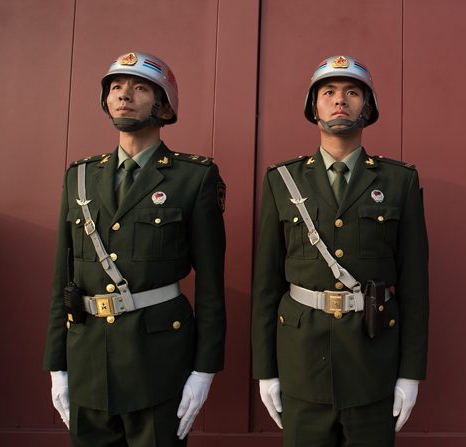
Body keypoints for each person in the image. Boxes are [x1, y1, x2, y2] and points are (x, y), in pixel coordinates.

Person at [43, 51, 226, 446]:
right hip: (88, 357)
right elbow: (64, 277)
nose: (123, 95)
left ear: (163, 105)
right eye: (115, 87)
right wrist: (57, 366)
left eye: (140, 87)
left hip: (157, 363)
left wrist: (204, 369)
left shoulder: (194, 177)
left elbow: (211, 285)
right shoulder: (80, 177)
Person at [252, 55, 429, 446]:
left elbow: (416, 285)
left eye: (352, 92)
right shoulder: (282, 180)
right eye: (328, 92)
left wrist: (410, 373)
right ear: (313, 106)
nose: (340, 100)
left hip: (373, 360)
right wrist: (266, 370)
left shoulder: (399, 181)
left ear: (367, 107)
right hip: (300, 362)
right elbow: (265, 285)